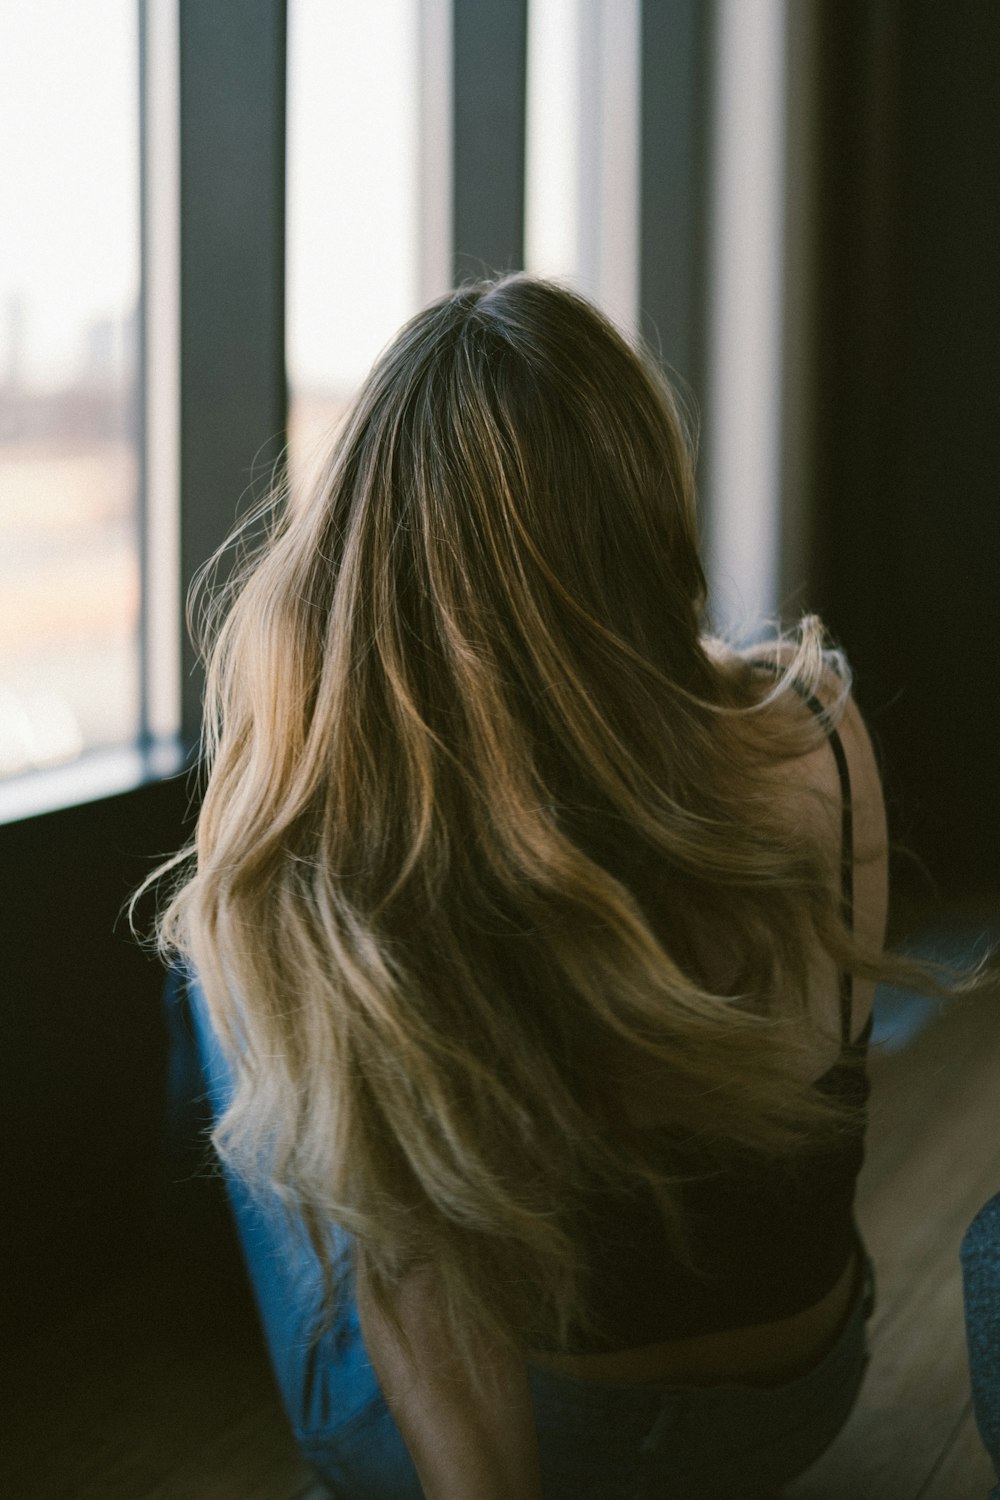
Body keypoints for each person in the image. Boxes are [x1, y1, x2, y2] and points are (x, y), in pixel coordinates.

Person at [150, 274, 918, 1498]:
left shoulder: (358, 803)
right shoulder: (810, 722)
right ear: (646, 503)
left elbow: (414, 1263)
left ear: (369, 529)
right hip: (798, 1402)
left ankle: (172, 1314)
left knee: (232, 927)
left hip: (554, 1456)